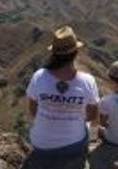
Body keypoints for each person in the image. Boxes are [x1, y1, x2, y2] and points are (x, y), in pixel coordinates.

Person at [25, 26, 99, 157]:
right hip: (72, 146)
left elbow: (32, 109)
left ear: (53, 53)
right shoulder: (87, 81)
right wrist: (71, 116)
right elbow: (92, 116)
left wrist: (53, 116)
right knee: (85, 130)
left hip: (40, 144)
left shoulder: (39, 76)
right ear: (76, 52)